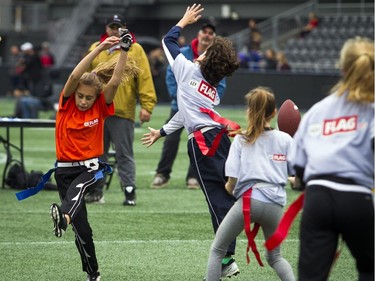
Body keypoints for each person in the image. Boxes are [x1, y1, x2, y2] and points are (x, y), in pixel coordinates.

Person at [142, 4, 240, 278]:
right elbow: (187, 115)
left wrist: (184, 20)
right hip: (219, 139)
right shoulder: (211, 89)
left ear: (205, 60)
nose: (202, 51)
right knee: (222, 196)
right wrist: (161, 132)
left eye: (206, 52)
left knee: (217, 200)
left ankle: (226, 256)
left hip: (203, 144)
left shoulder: (186, 71)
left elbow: (167, 41)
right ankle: (227, 255)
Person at [49, 31, 134, 281]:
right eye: (81, 96)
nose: (84, 101)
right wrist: (97, 51)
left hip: (91, 169)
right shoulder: (66, 106)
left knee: (76, 193)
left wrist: (124, 51)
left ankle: (63, 216)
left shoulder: (100, 106)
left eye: (88, 97)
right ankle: (93, 273)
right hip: (63, 170)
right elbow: (75, 76)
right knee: (82, 230)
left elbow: (116, 82)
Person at [289, 37, 374, 281]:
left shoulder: (318, 110)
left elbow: (299, 172)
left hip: (318, 200)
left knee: (311, 277)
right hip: (357, 198)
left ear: (342, 69)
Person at [204, 87, 295, 281]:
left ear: (249, 111)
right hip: (276, 204)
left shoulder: (241, 139)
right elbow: (298, 178)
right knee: (276, 257)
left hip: (248, 202)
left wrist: (231, 191)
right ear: (274, 112)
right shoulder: (286, 139)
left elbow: (231, 183)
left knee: (218, 250)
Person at [84, 14, 157, 205]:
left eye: (118, 27)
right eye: (111, 27)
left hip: (121, 110)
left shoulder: (135, 49)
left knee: (123, 154)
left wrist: (147, 105)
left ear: (124, 28)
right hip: (97, 111)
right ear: (106, 28)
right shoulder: (96, 48)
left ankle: (129, 191)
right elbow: (84, 78)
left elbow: (145, 78)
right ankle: (96, 191)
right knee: (96, 154)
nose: (114, 30)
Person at [151, 22, 227, 189]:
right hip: (179, 105)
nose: (207, 35)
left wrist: (203, 100)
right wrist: (180, 96)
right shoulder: (186, 55)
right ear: (199, 34)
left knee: (198, 142)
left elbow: (220, 84)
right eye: (204, 31)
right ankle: (162, 173)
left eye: (210, 33)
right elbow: (171, 75)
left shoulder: (211, 61)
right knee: (172, 140)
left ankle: (194, 176)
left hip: (201, 109)